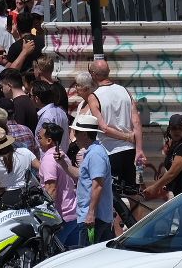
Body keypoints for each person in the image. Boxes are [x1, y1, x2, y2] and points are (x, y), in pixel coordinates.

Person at [88, 59, 140, 188]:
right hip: (130, 150)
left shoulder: (94, 97)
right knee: (132, 193)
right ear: (109, 72)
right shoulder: (125, 91)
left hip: (109, 151)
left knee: (113, 195)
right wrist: (139, 148)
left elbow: (104, 127)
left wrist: (126, 137)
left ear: (93, 74)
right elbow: (136, 121)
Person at [70, 113, 114, 246]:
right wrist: (62, 164)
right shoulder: (93, 152)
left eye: (76, 133)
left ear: (84, 134)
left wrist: (91, 214)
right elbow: (83, 176)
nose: (75, 137)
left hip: (94, 219)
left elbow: (98, 185)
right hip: (96, 217)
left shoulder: (95, 154)